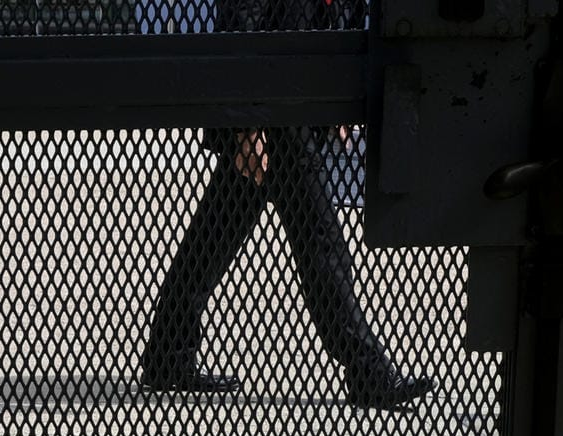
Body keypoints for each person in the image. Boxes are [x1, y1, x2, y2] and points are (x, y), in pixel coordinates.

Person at [139, 0, 431, 409]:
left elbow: (337, 33)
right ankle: (368, 371)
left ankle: (167, 356)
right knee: (322, 247)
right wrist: (246, 129)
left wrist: (334, 105)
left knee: (210, 243)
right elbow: (241, 34)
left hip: (293, 117)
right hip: (275, 125)